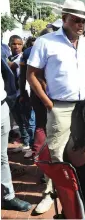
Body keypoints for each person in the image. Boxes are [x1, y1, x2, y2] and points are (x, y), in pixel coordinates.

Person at [27, 0, 85, 214]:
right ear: (64, 19)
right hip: (59, 106)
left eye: (83, 21)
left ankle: (82, 191)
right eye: (76, 20)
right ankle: (51, 194)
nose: (80, 25)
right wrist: (48, 103)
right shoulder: (46, 42)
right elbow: (31, 74)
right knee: (56, 154)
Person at [1, 47, 32, 212]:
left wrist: (10, 98)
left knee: (2, 157)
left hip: (2, 107)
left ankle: (8, 196)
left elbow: (7, 73)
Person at [19, 28, 53, 159]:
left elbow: (23, 76)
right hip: (48, 94)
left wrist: (23, 93)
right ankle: (42, 155)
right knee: (46, 126)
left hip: (35, 93)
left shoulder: (28, 52)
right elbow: (29, 75)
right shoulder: (52, 50)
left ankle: (38, 153)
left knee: (40, 124)